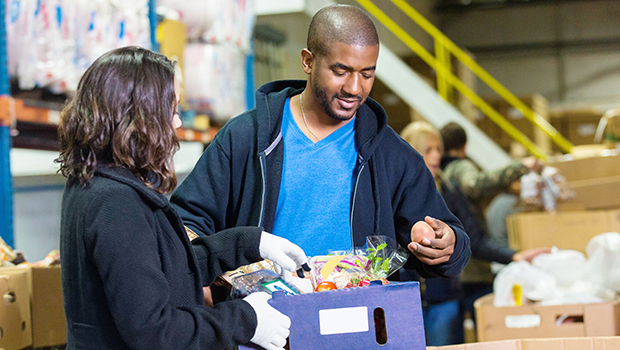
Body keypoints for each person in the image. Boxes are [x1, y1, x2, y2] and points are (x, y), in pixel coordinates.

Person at [171, 4, 471, 288]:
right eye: (341, 71)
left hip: (359, 324)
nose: (355, 88)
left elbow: (451, 244)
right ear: (308, 61)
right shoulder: (246, 138)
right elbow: (187, 219)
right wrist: (204, 277)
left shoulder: (391, 154)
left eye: (367, 74)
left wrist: (447, 244)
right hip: (266, 323)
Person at [57, 46, 310, 350]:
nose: (176, 123)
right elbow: (155, 331)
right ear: (139, 116)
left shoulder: (96, 183)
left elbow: (164, 271)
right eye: (172, 110)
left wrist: (250, 244)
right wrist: (245, 319)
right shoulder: (116, 203)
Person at [400, 121, 549, 345]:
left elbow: (473, 238)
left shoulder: (449, 192)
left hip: (444, 298)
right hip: (405, 299)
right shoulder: (394, 194)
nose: (436, 156)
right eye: (428, 149)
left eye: (438, 149)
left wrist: (513, 256)